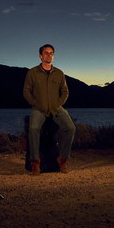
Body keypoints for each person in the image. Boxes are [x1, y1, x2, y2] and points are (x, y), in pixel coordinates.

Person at [23, 44, 76, 175]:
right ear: (40, 56)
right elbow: (26, 91)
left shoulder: (59, 73)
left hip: (56, 108)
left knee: (70, 128)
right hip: (39, 109)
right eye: (46, 53)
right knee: (33, 129)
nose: (49, 55)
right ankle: (35, 162)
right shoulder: (32, 72)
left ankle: (62, 160)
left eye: (51, 53)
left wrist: (57, 105)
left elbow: (65, 92)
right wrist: (35, 104)